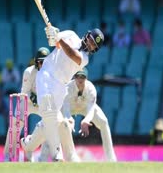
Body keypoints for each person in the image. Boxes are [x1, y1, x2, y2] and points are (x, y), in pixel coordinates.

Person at [21, 24, 104, 162]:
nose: (90, 44)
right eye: (90, 40)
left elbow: (72, 55)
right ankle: (56, 153)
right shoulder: (71, 35)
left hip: (60, 85)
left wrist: (59, 39)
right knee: (49, 112)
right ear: (87, 35)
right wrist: (52, 33)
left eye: (93, 45)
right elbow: (52, 42)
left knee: (54, 121)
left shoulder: (85, 58)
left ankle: (28, 144)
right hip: (47, 74)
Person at [62, 68, 117, 161]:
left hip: (85, 108)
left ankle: (111, 158)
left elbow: (91, 109)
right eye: (78, 77)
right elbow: (65, 109)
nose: (80, 80)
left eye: (82, 77)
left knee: (104, 121)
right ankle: (58, 156)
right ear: (74, 77)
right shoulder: (67, 88)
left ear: (86, 78)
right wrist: (69, 119)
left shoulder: (91, 88)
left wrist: (86, 120)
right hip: (70, 108)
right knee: (57, 123)